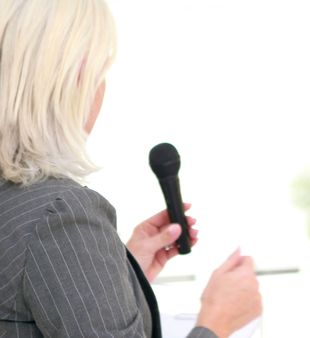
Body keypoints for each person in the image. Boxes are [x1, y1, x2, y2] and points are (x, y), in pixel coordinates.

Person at [0, 0, 261, 337]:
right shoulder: (60, 215)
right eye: (100, 72)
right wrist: (217, 320)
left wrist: (121, 272)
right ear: (74, 78)